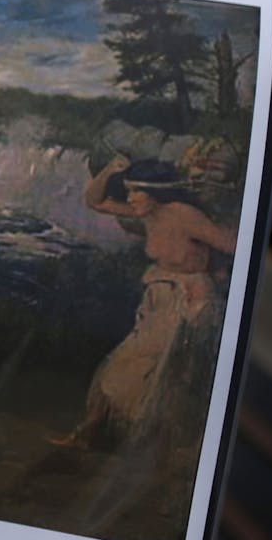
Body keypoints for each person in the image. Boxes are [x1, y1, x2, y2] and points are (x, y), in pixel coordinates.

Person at [51, 155, 236, 448]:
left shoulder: (183, 215)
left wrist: (217, 272)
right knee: (131, 366)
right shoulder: (149, 213)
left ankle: (99, 435)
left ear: (156, 192)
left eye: (136, 191)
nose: (130, 198)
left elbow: (232, 243)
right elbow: (94, 201)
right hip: (158, 298)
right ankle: (89, 432)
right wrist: (110, 168)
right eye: (128, 191)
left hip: (187, 301)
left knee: (144, 369)